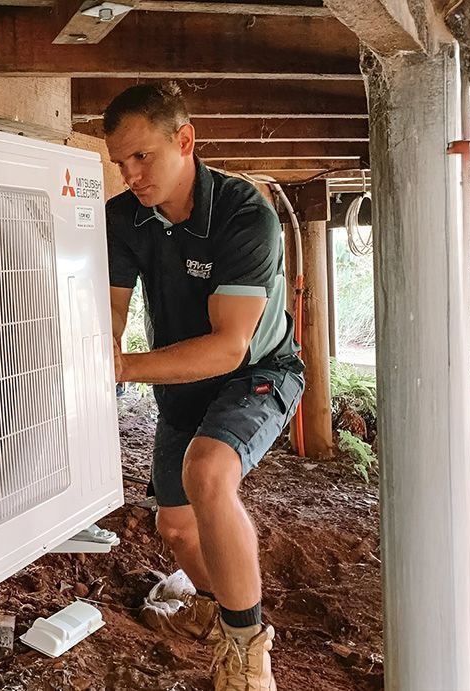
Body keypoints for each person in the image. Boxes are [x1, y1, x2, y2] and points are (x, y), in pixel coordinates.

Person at [103, 83, 305, 690]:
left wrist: (116, 368)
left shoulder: (247, 216)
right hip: (181, 383)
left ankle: (247, 654)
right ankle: (227, 608)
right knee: (176, 527)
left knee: (208, 471)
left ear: (185, 140)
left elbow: (228, 346)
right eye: (120, 162)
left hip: (258, 372)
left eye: (142, 157)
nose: (131, 174)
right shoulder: (124, 217)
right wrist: (100, 350)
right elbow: (111, 313)